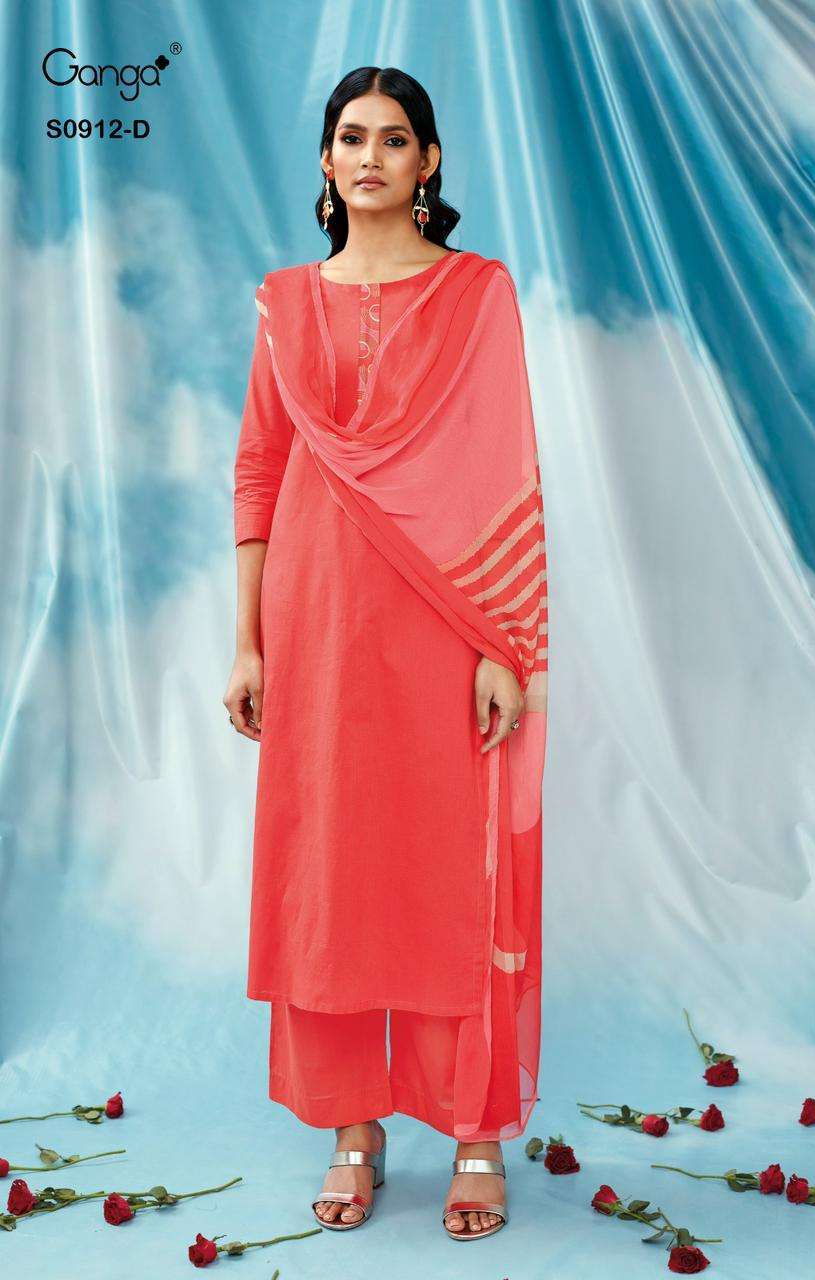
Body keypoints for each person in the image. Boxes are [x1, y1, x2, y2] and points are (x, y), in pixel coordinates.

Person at [224, 65, 548, 1241]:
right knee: (332, 873)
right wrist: (248, 640)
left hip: (441, 626)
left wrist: (501, 643)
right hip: (315, 624)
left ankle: (473, 1130)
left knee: (449, 871)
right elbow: (261, 467)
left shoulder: (477, 293)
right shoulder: (284, 301)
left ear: (429, 162)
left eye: (395, 138)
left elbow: (502, 466)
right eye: (351, 137)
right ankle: (352, 1126)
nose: (371, 155)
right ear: (326, 160)